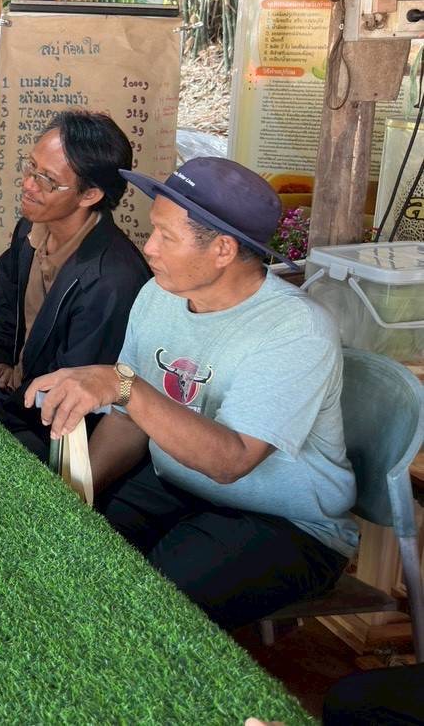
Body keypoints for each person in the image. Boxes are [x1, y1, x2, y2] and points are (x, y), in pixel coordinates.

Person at [25, 157, 357, 629]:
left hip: (284, 523)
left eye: (166, 236)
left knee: (145, 612)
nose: (149, 247)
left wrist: (125, 387)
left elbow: (232, 462)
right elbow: (126, 420)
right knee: (61, 555)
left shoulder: (295, 330)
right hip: (175, 483)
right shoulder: (160, 294)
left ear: (222, 249)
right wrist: (77, 491)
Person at [0, 110, 150, 456]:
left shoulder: (110, 281)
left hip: (55, 430)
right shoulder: (30, 229)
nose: (29, 184)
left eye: (47, 180)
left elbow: (69, 390)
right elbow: (5, 305)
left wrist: (3, 399)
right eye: (30, 167)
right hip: (15, 398)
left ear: (90, 195)